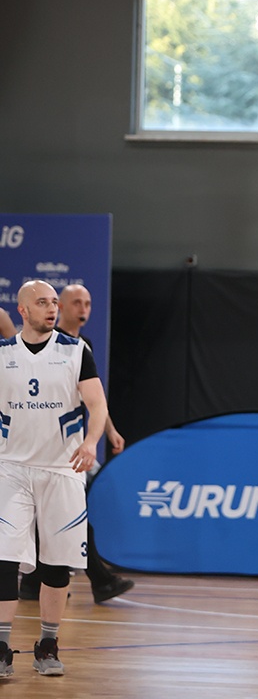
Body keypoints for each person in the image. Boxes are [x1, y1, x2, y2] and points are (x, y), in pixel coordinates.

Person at [0, 280, 109, 678]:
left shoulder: (75, 351)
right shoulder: (3, 354)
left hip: (62, 470)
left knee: (56, 565)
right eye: (42, 302)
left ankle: (47, 644)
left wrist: (92, 442)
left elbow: (97, 405)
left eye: (53, 302)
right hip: (11, 468)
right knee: (4, 559)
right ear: (23, 310)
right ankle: (1, 645)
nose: (51, 308)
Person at [18, 284, 135, 604]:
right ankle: (89, 580)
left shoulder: (81, 347)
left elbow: (93, 398)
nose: (83, 309)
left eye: (88, 303)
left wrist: (107, 431)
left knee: (65, 515)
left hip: (67, 450)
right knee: (45, 516)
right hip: (34, 449)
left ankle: (47, 582)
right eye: (76, 303)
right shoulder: (35, 343)